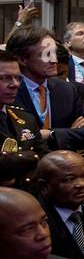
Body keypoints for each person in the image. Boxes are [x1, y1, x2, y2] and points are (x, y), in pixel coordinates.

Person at [5, 25, 84, 151]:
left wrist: (51, 134)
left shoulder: (67, 90)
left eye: (54, 53)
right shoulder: (8, 91)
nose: (54, 60)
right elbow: (14, 138)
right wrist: (68, 133)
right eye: (46, 55)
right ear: (22, 59)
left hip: (64, 165)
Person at [0, 49, 47, 188]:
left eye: (18, 78)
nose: (15, 84)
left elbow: (45, 157)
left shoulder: (25, 117)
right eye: (5, 78)